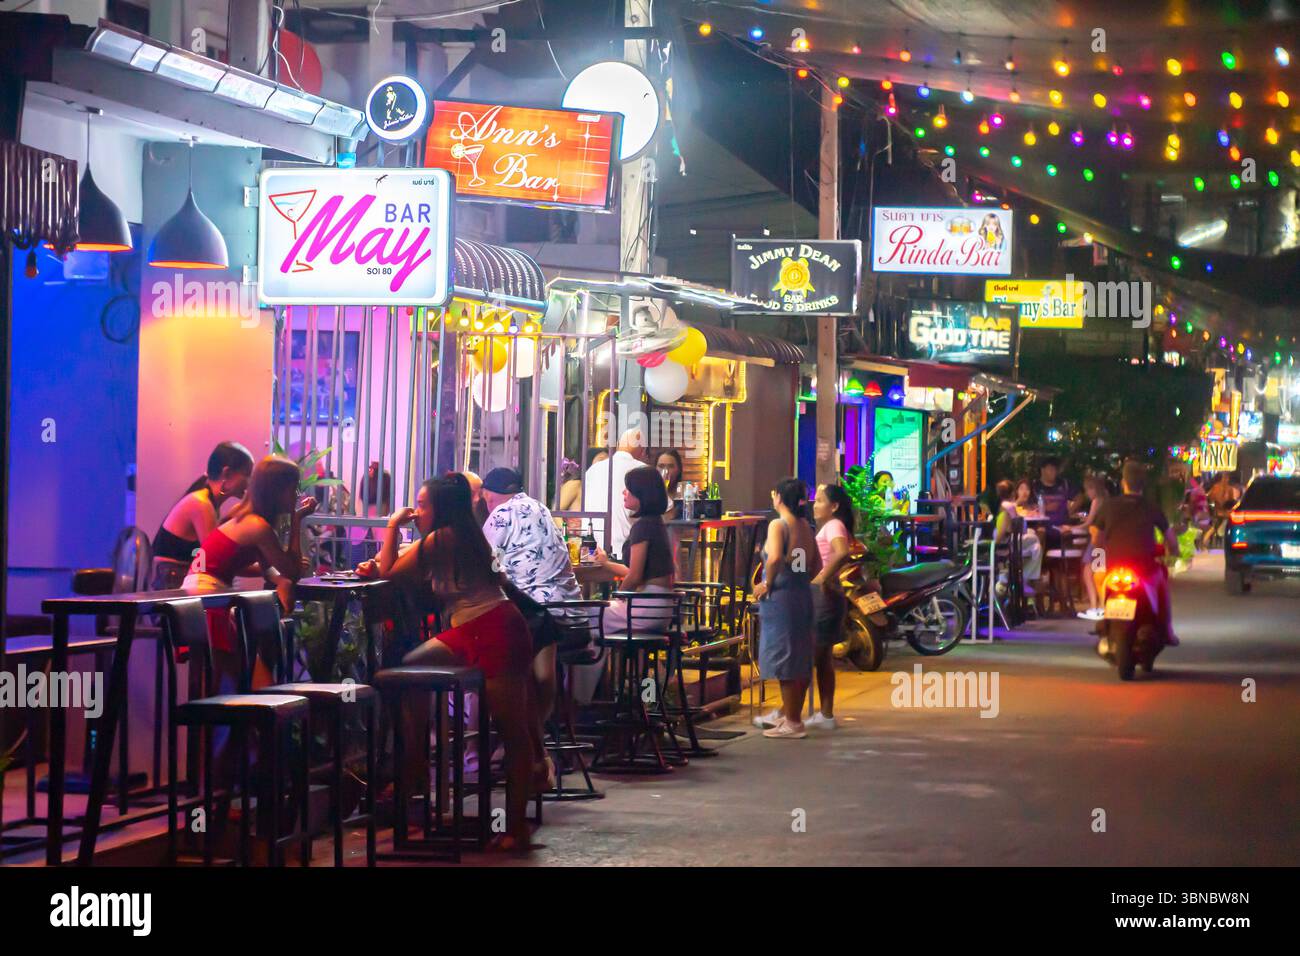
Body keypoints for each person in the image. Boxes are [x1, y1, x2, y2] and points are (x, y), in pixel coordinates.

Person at [381, 475, 538, 851]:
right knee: (409, 671)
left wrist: (390, 528)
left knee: (512, 731)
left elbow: (390, 576)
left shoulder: (442, 538)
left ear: (440, 508)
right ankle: (417, 763)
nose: (416, 512)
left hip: (494, 631)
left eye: (422, 505)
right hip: (483, 627)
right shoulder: (464, 535)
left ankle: (516, 827)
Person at [481, 466, 582, 777]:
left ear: (488, 495)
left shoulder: (498, 516)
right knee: (538, 669)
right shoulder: (540, 508)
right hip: (572, 616)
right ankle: (531, 742)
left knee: (503, 661)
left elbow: (485, 565)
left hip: (534, 616)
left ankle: (518, 744)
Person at [751, 478, 821, 740]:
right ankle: (792, 716)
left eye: (774, 493)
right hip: (801, 596)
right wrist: (795, 575)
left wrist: (767, 583)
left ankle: (792, 721)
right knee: (798, 656)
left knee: (784, 658)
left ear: (779, 497)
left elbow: (777, 557)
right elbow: (814, 565)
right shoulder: (804, 526)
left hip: (781, 599)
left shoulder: (778, 524)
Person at [1092, 460, 1179, 650]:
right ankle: (1167, 630)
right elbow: (1171, 539)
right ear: (1143, 485)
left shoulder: (1109, 506)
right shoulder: (1151, 507)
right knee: (1162, 583)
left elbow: (1096, 540)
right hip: (1145, 568)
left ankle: (1102, 613)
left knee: (1097, 576)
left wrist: (1100, 556)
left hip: (1113, 567)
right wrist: (1174, 552)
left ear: (1124, 482)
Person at [152, 442, 254, 589]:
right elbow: (216, 562)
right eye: (247, 475)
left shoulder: (208, 502)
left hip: (176, 587)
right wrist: (268, 568)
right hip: (171, 591)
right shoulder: (201, 504)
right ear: (227, 473)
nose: (249, 483)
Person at [592, 465, 676, 634]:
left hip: (646, 607)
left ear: (642, 495)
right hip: (662, 608)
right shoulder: (656, 522)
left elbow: (635, 576)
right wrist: (605, 563)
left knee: (586, 615)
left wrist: (617, 597)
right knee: (596, 616)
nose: (624, 492)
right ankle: (600, 660)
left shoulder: (642, 527)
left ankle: (590, 661)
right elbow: (634, 572)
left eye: (629, 489)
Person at [805, 483, 853, 730]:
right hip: (828, 596)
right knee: (822, 659)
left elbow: (842, 552)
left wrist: (821, 578)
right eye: (815, 500)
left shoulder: (833, 525)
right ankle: (825, 714)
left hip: (825, 598)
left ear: (834, 506)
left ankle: (789, 713)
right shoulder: (829, 526)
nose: (815, 505)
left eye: (820, 500)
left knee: (813, 656)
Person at [582, 427, 645, 556]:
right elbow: (665, 508)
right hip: (626, 552)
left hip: (590, 549)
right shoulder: (642, 470)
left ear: (617, 446)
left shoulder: (593, 470)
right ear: (642, 450)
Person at [993, 479, 1043, 596]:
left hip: (1012, 542)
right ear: (1013, 493)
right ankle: (1024, 579)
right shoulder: (1008, 508)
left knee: (1036, 545)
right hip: (1008, 544)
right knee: (1035, 540)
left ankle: (1023, 579)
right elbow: (1007, 530)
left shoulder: (1005, 507)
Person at [1073, 473, 1110, 620]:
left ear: (1093, 489)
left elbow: (1089, 523)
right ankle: (1100, 606)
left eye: (1087, 490)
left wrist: (1071, 528)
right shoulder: (1106, 499)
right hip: (1103, 540)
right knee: (1099, 573)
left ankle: (1096, 606)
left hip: (1097, 540)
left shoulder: (1096, 501)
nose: (1087, 494)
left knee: (1090, 572)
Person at [1030, 457, 1075, 546]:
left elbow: (1080, 497)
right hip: (1043, 528)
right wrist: (1044, 508)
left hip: (1063, 527)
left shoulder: (1064, 484)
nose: (1054, 472)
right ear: (1042, 470)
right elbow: (1028, 506)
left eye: (1055, 469)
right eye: (1050, 469)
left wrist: (1070, 510)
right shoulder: (1034, 486)